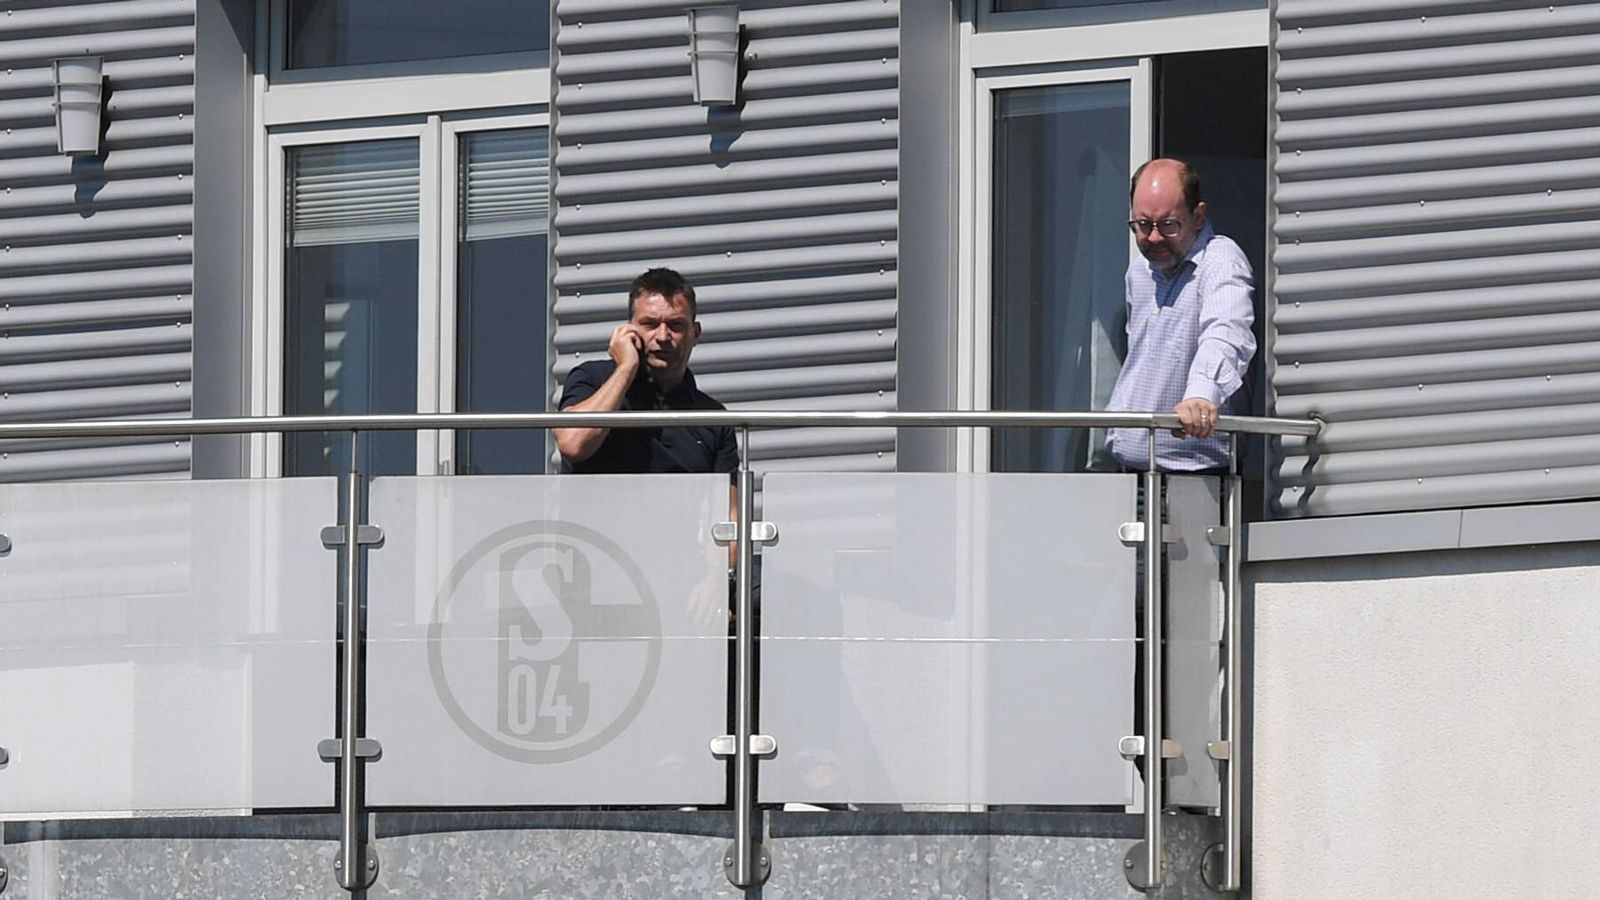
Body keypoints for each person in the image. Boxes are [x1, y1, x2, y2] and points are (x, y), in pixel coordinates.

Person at [1104, 158, 1256, 472]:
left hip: (1195, 475)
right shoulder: (1140, 271)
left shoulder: (1221, 262)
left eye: (1168, 225)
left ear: (1198, 216)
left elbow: (1226, 333)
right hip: (1130, 469)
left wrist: (1201, 397)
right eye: (1143, 225)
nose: (1154, 237)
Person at [554, 267, 738, 474]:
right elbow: (573, 444)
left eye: (675, 325)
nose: (662, 336)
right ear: (628, 330)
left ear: (695, 333)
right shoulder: (592, 378)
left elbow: (728, 505)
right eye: (650, 324)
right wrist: (626, 368)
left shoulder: (713, 417)